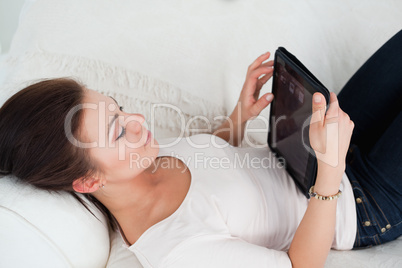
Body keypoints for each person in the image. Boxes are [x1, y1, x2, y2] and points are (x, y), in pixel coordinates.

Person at [0, 30, 401, 268]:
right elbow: (299, 265)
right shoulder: (181, 250)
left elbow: (209, 167)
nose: (137, 121)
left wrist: (238, 118)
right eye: (118, 130)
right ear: (89, 180)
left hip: (309, 151)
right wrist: (330, 170)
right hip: (361, 204)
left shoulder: (142, 160)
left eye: (119, 109)